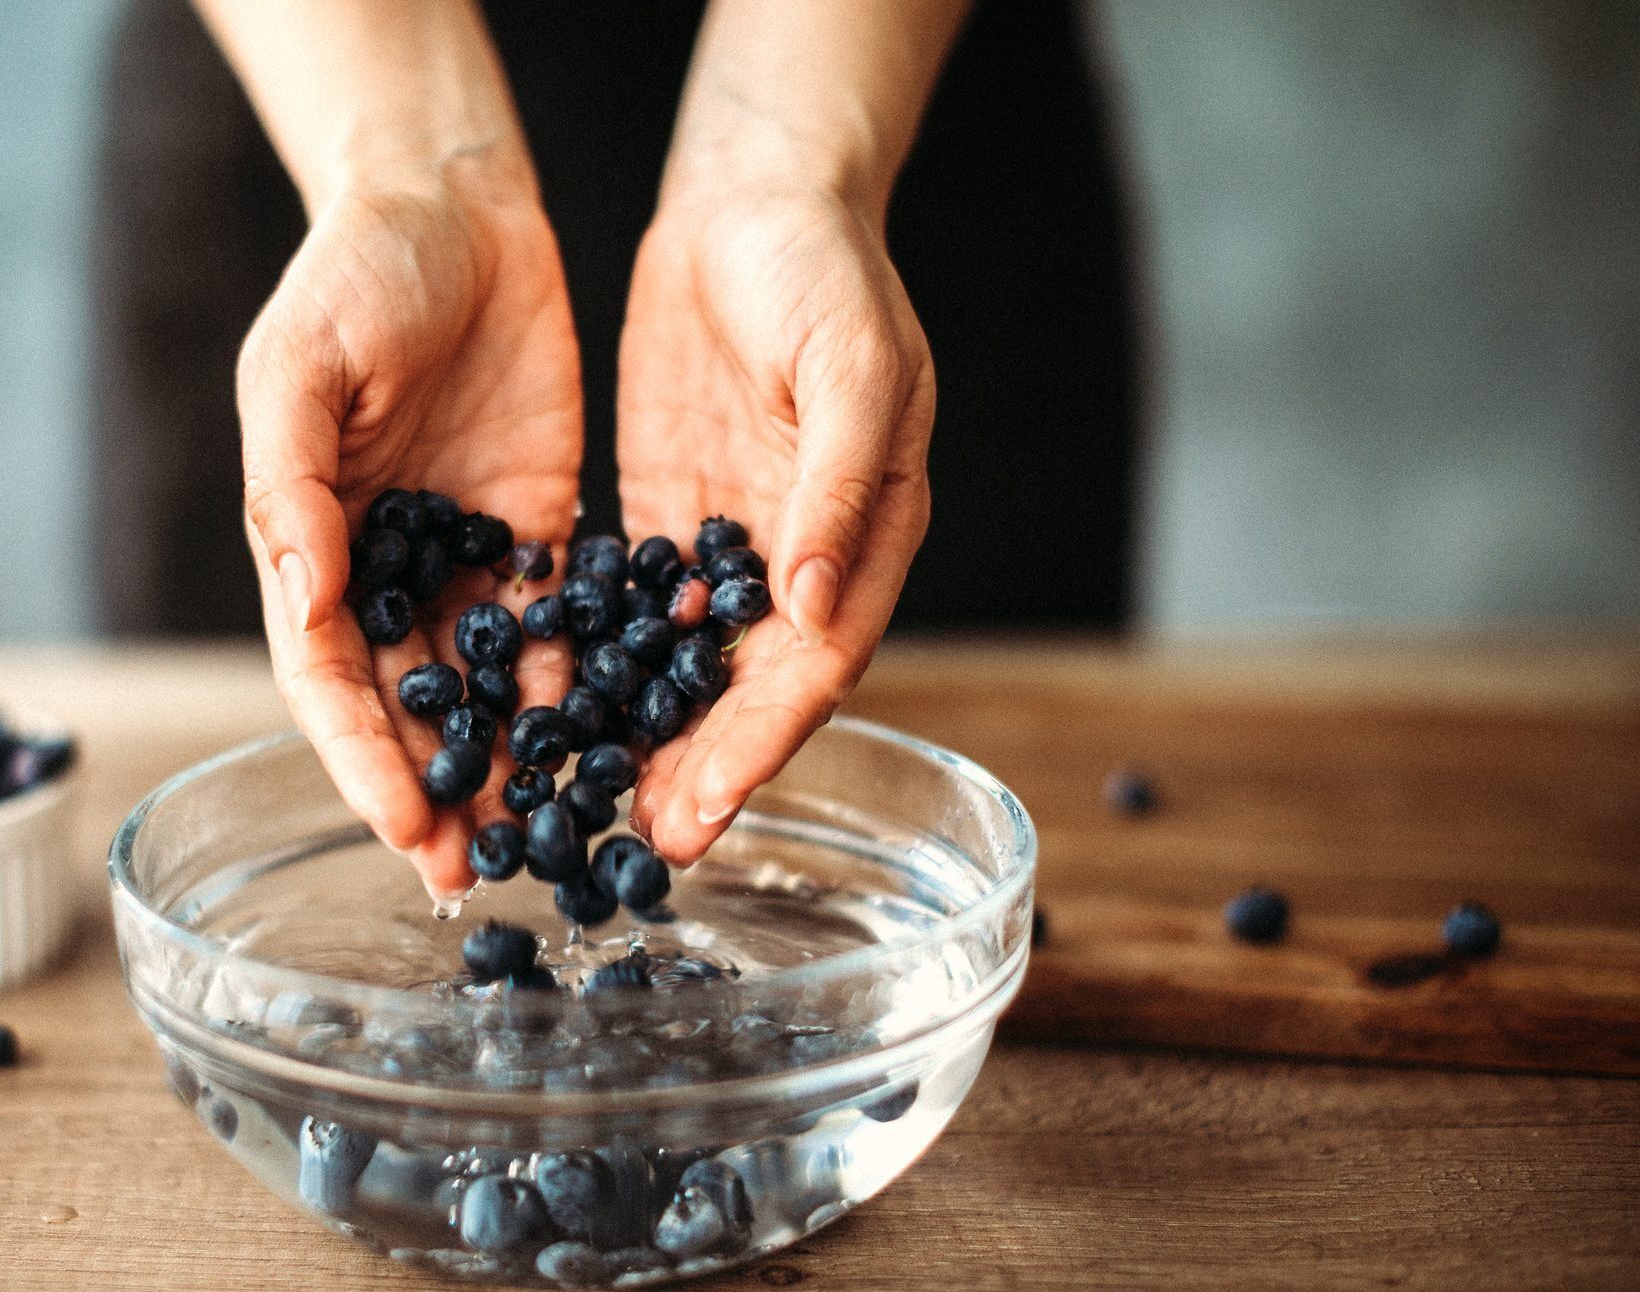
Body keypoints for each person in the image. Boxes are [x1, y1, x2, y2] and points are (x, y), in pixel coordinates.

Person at [94, 1, 1139, 896]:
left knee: (935, 660)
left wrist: (788, 157)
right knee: (294, 649)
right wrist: (401, 166)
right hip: (326, 81)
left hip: (885, 97)